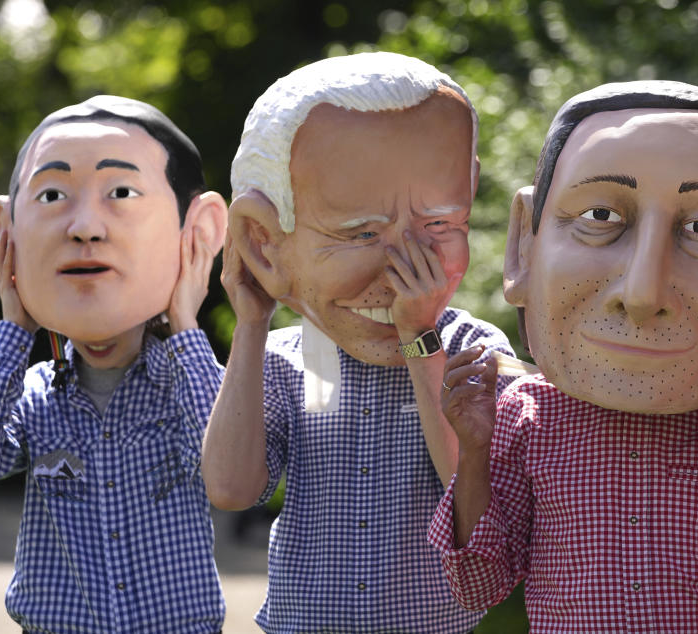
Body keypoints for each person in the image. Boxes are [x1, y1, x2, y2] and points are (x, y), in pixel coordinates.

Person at [429, 80, 698, 632]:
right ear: (523, 248)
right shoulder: (522, 417)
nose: (643, 293)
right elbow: (476, 586)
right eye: (601, 216)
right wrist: (475, 454)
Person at [201, 52, 515, 633]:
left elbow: (479, 503)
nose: (400, 270)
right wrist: (250, 323)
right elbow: (231, 488)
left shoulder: (473, 350)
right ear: (265, 243)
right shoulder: (298, 361)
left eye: (439, 226)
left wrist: (421, 338)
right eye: (361, 233)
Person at [0, 95, 228, 633]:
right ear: (9, 231)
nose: (85, 228)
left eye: (121, 192)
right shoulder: (35, 395)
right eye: (51, 196)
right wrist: (15, 326)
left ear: (200, 230)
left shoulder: (188, 385)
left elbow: (229, 475)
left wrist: (187, 322)